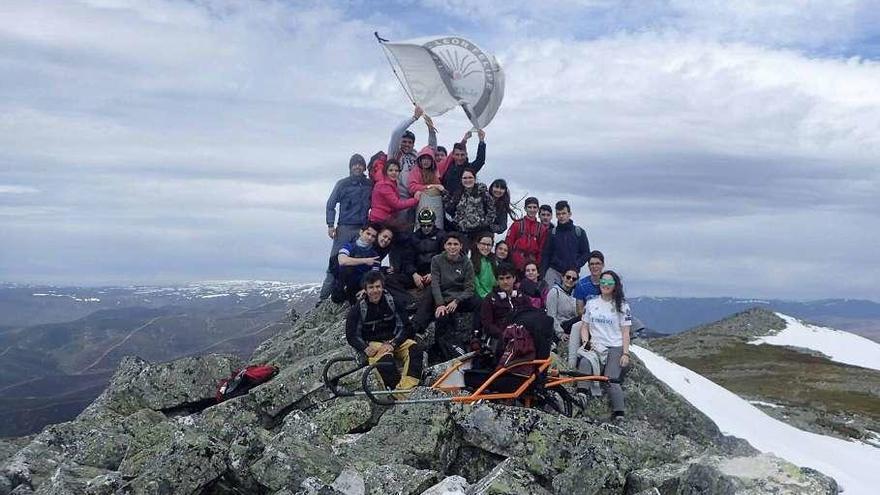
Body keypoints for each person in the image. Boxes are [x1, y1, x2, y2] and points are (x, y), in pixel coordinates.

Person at [569, 270, 631, 421]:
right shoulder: (592, 303)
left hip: (614, 346)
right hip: (596, 344)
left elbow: (625, 332)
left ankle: (619, 413)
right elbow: (584, 326)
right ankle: (581, 397)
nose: (605, 285)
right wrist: (585, 343)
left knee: (611, 379)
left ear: (615, 286)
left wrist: (625, 353)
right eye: (603, 282)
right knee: (585, 363)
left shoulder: (623, 306)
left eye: (609, 283)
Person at [345, 272, 422, 392]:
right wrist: (365, 348)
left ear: (382, 287)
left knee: (415, 349)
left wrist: (393, 344)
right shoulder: (358, 309)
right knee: (386, 361)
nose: (375, 290)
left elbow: (406, 327)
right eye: (371, 287)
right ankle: (397, 392)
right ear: (365, 289)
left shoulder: (393, 302)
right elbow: (351, 335)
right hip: (374, 344)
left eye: (378, 286)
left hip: (395, 340)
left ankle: (407, 389)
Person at [412, 232, 482, 362]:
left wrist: (457, 301)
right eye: (449, 244)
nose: (452, 247)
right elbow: (435, 284)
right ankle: (439, 349)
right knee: (442, 316)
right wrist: (440, 304)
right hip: (444, 296)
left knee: (479, 301)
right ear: (444, 246)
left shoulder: (467, 262)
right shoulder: (437, 260)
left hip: (459, 297)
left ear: (461, 246)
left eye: (455, 244)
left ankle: (476, 335)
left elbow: (469, 288)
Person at [320, 154, 372, 300]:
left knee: (361, 261)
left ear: (364, 167)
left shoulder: (369, 184)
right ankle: (324, 297)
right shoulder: (342, 184)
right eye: (354, 164)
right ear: (350, 167)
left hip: (362, 229)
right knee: (335, 260)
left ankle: (356, 293)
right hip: (344, 228)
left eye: (360, 164)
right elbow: (331, 205)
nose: (357, 166)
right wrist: (330, 225)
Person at [480, 264, 532, 357]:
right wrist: (504, 334)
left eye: (508, 278)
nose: (505, 282)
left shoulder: (523, 297)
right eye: (501, 278)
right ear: (497, 280)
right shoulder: (490, 299)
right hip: (500, 340)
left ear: (514, 278)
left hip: (522, 337)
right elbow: (487, 325)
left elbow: (531, 318)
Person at [387, 105, 436, 200]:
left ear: (413, 144)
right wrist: (414, 118)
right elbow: (396, 133)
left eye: (410, 142)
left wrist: (431, 130)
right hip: (399, 198)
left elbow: (432, 149)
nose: (407, 144)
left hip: (417, 196)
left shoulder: (416, 156)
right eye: (404, 141)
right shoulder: (394, 154)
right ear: (399, 142)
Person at [540, 200, 590, 288]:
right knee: (550, 298)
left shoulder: (579, 232)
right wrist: (542, 275)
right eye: (558, 214)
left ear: (569, 214)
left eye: (564, 213)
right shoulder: (552, 233)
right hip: (554, 271)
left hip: (572, 273)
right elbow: (546, 255)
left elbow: (586, 253)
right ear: (556, 215)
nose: (561, 216)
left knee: (570, 300)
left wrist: (576, 265)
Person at [444, 168, 495, 248]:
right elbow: (449, 208)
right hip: (462, 233)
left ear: (475, 178)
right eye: (465, 178)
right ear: (461, 179)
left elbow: (491, 211)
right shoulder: (458, 193)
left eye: (470, 177)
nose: (467, 180)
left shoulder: (482, 193)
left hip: (478, 233)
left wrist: (484, 224)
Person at [333, 223, 381, 304]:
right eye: (368, 233)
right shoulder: (349, 246)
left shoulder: (375, 255)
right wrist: (365, 261)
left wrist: (366, 289)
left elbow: (374, 275)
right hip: (345, 282)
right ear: (361, 232)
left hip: (361, 285)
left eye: (373, 236)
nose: (370, 238)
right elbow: (342, 261)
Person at [506, 197, 548, 272]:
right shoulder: (517, 224)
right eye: (529, 207)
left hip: (532, 265)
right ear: (525, 209)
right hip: (516, 264)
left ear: (538, 209)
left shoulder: (541, 229)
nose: (532, 210)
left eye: (534, 207)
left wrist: (537, 265)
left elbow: (541, 249)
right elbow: (509, 243)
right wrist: (511, 260)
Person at [408, 146, 447, 230]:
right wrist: (432, 186)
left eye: (428, 159)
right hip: (422, 204)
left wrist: (463, 141)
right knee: (422, 228)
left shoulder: (436, 170)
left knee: (437, 227)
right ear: (420, 160)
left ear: (432, 160)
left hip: (436, 205)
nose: (426, 161)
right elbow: (412, 187)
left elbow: (450, 158)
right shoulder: (415, 171)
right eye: (423, 158)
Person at [441, 129, 486, 199]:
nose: (460, 157)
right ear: (452, 155)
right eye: (457, 154)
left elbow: (480, 160)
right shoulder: (447, 167)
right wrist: (464, 139)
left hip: (463, 205)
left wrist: (481, 141)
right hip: (447, 203)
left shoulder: (470, 168)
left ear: (466, 155)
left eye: (462, 155)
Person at [545, 268, 579, 343]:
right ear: (563, 277)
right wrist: (560, 334)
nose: (570, 280)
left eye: (573, 279)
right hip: (561, 327)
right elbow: (551, 315)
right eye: (568, 277)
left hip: (572, 327)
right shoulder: (554, 292)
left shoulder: (574, 296)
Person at [574, 250, 605, 315]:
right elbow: (579, 312)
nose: (594, 266)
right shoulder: (581, 285)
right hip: (588, 320)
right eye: (592, 264)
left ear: (603, 265)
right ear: (588, 266)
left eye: (597, 263)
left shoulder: (609, 283)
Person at [471, 233, 496, 298]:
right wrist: (485, 296)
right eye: (483, 244)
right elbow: (476, 284)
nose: (486, 247)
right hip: (480, 297)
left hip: (494, 295)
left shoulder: (494, 261)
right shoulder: (472, 262)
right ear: (478, 245)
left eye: (489, 245)